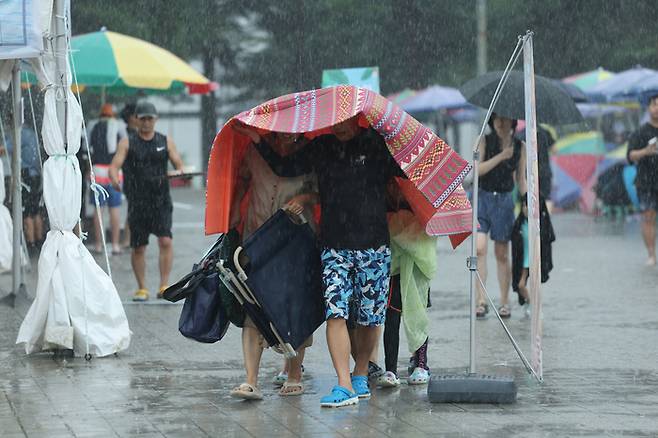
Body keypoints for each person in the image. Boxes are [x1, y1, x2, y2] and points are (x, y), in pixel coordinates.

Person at [234, 116, 404, 408]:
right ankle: (344, 384)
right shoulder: (322, 146)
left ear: (358, 118)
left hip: (374, 246)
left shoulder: (376, 142)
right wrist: (258, 139)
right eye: (334, 120)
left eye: (345, 120)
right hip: (334, 246)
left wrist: (394, 132)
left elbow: (405, 171)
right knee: (335, 313)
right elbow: (284, 167)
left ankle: (361, 370)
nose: (338, 126)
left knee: (369, 318)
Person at [228, 132, 318, 400]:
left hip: (296, 239)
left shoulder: (312, 153)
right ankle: (251, 380)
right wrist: (232, 213)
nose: (283, 136)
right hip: (257, 239)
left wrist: (303, 200)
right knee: (253, 309)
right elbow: (242, 180)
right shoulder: (256, 151)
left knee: (294, 309)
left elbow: (321, 191)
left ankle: (294, 374)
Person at [109, 102, 185, 301]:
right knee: (139, 246)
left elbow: (179, 164)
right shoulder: (127, 142)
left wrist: (180, 172)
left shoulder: (165, 141)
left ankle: (164, 285)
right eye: (142, 118)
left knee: (165, 241)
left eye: (150, 118)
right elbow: (114, 166)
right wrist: (115, 179)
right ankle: (142, 287)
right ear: (136, 119)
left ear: (156, 119)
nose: (146, 122)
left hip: (161, 200)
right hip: (138, 201)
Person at [376, 180, 437, 388]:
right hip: (394, 266)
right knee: (391, 316)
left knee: (418, 313)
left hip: (417, 266)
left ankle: (421, 362)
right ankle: (390, 368)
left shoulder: (422, 197)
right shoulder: (383, 198)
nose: (395, 188)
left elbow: (425, 234)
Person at [475, 113, 526, 319]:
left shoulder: (519, 147)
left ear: (512, 122)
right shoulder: (483, 141)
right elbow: (477, 170)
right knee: (479, 248)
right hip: (483, 199)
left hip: (504, 202)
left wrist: (527, 201)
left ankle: (505, 301)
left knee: (502, 254)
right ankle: (481, 300)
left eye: (504, 119)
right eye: (496, 120)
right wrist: (501, 157)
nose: (500, 124)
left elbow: (520, 179)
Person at [87, 104, 128, 255]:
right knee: (115, 209)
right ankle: (116, 244)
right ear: (113, 115)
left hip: (97, 171)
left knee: (98, 210)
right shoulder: (119, 126)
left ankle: (98, 244)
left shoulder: (93, 126)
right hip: (114, 171)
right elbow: (124, 148)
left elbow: (87, 150)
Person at [627, 94, 658, 266]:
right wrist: (645, 151)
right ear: (649, 107)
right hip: (646, 181)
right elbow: (630, 156)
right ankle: (651, 254)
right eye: (655, 104)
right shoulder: (640, 132)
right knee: (648, 217)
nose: (657, 108)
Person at [511, 195, 555, 312]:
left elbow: (548, 239)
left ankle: (536, 307)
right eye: (524, 206)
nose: (526, 209)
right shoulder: (520, 224)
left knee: (536, 285)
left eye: (528, 206)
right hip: (524, 260)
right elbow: (515, 243)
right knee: (520, 285)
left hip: (536, 260)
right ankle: (530, 302)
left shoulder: (542, 223)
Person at [4, 126, 44, 254]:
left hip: (25, 174)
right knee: (36, 211)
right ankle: (39, 241)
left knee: (26, 212)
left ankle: (31, 244)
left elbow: (5, 148)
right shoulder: (32, 133)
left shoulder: (19, 134)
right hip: (36, 175)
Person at [119, 103, 139, 248]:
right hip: (130, 176)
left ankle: (132, 237)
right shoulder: (126, 134)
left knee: (135, 208)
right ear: (131, 117)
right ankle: (127, 239)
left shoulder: (135, 133)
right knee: (133, 208)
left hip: (134, 175)